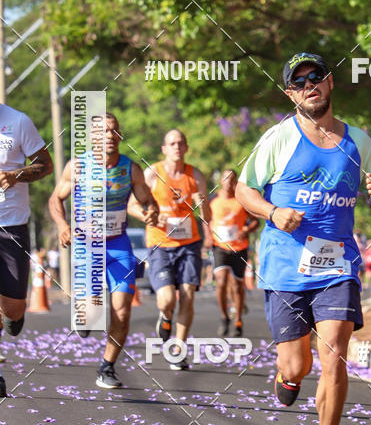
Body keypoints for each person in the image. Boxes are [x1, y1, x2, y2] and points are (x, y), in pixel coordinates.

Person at [236, 52, 371, 425]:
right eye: (299, 81)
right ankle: (288, 376)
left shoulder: (359, 141)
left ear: (330, 82)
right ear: (291, 93)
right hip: (285, 264)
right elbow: (244, 190)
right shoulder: (279, 139)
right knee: (297, 364)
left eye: (316, 76)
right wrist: (272, 212)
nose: (310, 85)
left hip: (338, 263)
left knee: (335, 354)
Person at [49, 112, 158, 388]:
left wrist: (151, 213)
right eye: (104, 131)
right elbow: (56, 199)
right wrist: (63, 225)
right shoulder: (77, 167)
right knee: (90, 316)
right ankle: (84, 312)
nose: (110, 136)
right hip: (87, 245)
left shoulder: (130, 169)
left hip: (119, 245)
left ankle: (107, 367)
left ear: (120, 136)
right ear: (93, 138)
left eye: (114, 131)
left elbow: (148, 199)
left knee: (122, 310)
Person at [134, 129, 211, 370]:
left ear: (186, 148)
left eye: (181, 143)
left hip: (189, 243)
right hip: (160, 244)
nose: (177, 147)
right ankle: (166, 316)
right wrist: (146, 216)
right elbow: (132, 205)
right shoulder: (153, 173)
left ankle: (178, 349)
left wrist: (203, 204)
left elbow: (208, 216)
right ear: (164, 149)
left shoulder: (195, 176)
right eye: (172, 143)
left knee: (187, 295)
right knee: (167, 298)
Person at [0, 102, 53, 359]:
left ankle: (9, 315)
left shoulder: (18, 121)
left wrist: (15, 175)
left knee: (14, 308)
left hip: (11, 224)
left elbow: (45, 164)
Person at [209, 169, 258, 337]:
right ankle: (224, 317)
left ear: (236, 182)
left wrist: (246, 229)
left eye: (232, 179)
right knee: (221, 281)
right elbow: (205, 219)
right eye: (226, 179)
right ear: (221, 181)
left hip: (239, 247)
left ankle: (238, 319)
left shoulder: (241, 200)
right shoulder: (213, 200)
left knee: (237, 286)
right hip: (219, 246)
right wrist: (208, 236)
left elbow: (255, 222)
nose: (229, 182)